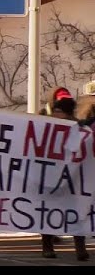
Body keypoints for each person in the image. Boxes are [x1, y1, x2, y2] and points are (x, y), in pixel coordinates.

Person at [39, 87, 89, 261]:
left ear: (67, 113)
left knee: (77, 211)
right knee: (48, 210)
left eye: (60, 111)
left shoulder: (79, 129)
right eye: (56, 110)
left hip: (72, 178)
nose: (57, 114)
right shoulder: (45, 125)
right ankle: (47, 245)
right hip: (50, 176)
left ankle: (80, 248)